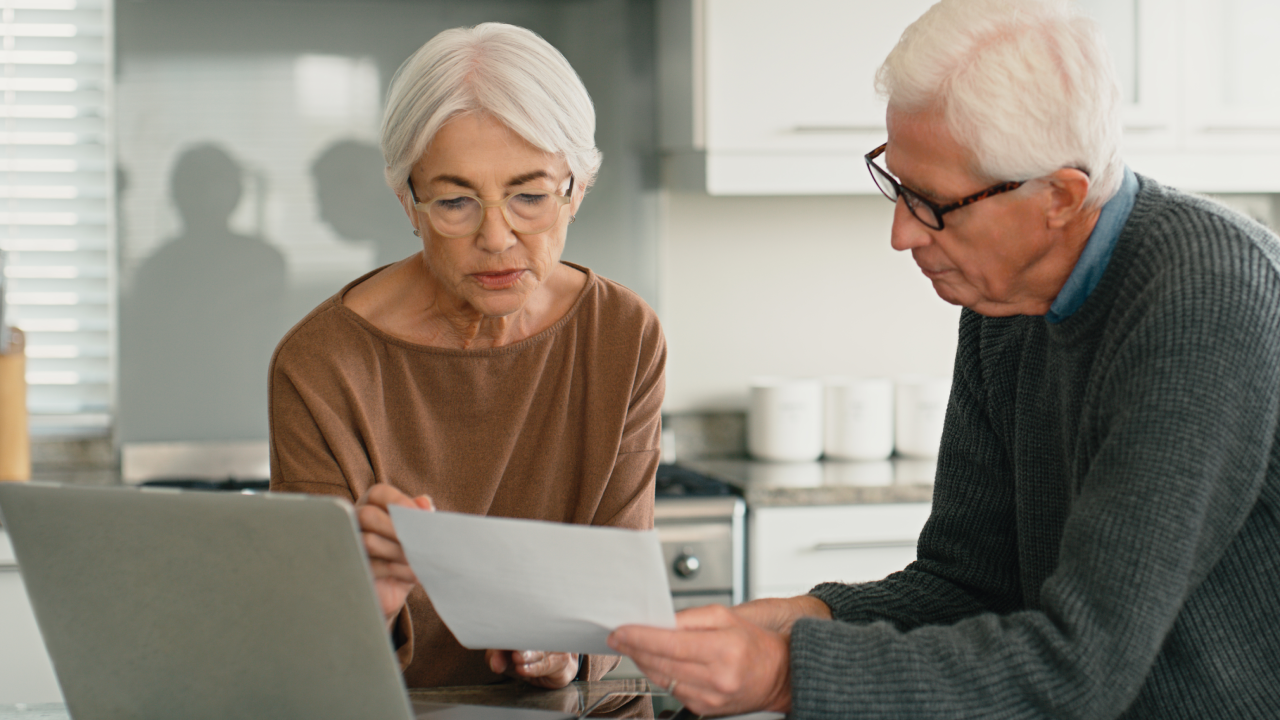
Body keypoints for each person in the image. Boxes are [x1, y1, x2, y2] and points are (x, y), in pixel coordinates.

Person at [608, 0, 1280, 717]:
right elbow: (967, 586)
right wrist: (808, 619)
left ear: (1058, 195)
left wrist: (786, 674)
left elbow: (1082, 664)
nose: (901, 233)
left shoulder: (1203, 295)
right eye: (897, 184)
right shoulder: (1005, 303)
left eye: (932, 202)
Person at [269, 23, 665, 689]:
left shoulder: (622, 334)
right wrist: (373, 594)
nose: (496, 236)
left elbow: (622, 609)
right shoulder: (321, 362)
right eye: (454, 201)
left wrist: (567, 654)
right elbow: (309, 660)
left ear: (578, 189)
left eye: (530, 197)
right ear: (409, 202)